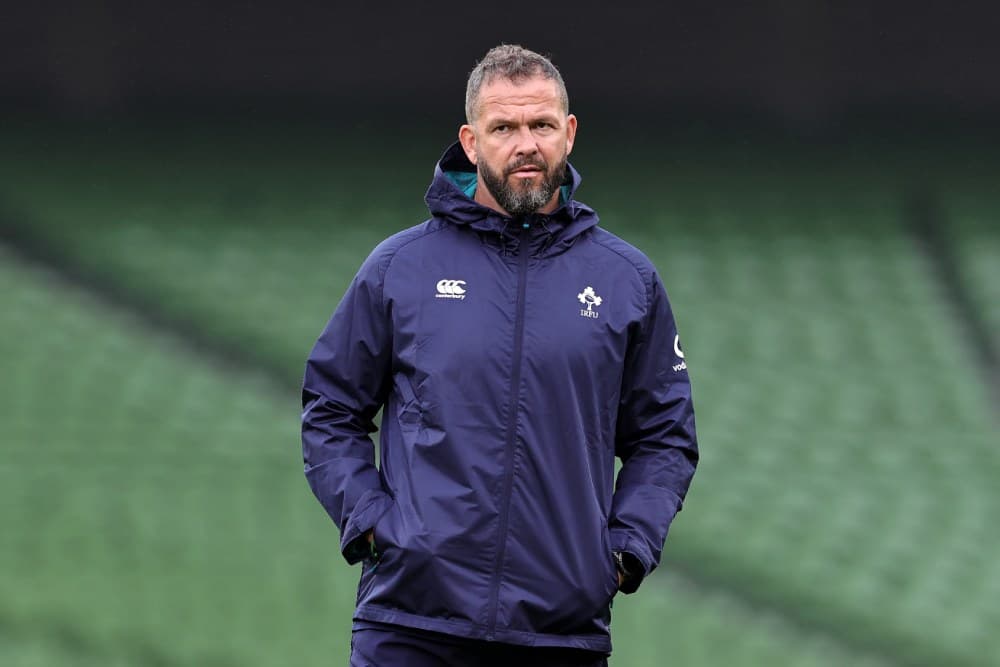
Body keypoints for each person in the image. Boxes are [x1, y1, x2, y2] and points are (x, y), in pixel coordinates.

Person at [301, 44, 698, 667]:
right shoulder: (399, 269)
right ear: (469, 141)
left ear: (568, 133)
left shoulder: (627, 280)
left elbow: (665, 437)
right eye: (504, 127)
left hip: (560, 633)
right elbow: (330, 409)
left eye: (541, 125)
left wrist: (625, 548)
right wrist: (375, 523)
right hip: (410, 626)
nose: (526, 145)